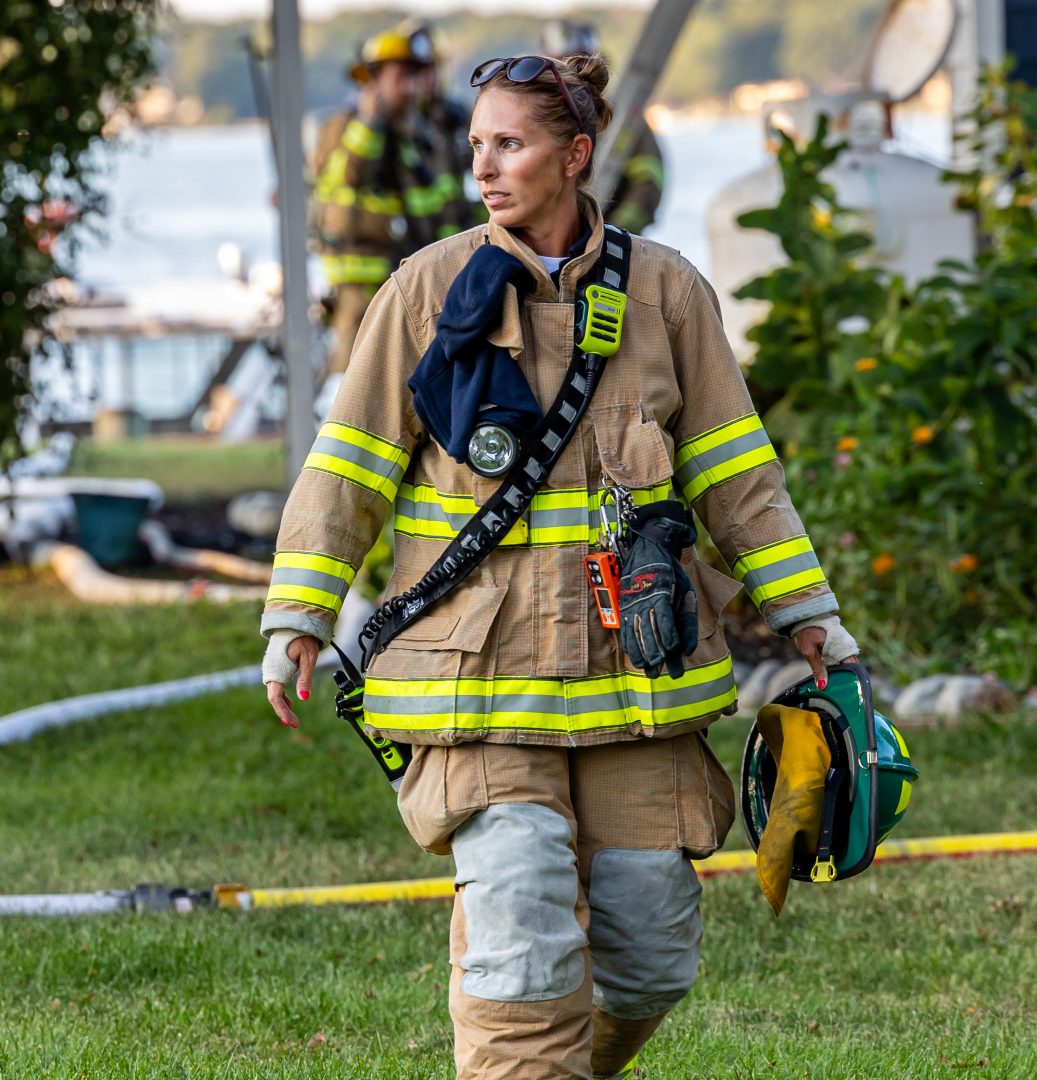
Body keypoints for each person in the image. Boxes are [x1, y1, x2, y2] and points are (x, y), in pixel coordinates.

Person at [264, 51, 859, 1080]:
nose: (483, 169)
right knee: (525, 956)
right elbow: (346, 467)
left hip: (635, 679)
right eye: (477, 145)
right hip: (477, 684)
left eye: (511, 144)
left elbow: (736, 474)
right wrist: (297, 618)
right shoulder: (425, 292)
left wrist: (807, 612)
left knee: (650, 955)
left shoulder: (668, 294)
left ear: (575, 156)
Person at [310, 26, 430, 378]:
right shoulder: (344, 128)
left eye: (413, 78)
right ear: (373, 81)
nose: (409, 89)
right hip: (357, 281)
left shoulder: (409, 131)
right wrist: (371, 118)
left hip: (401, 275)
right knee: (352, 376)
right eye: (399, 78)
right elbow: (350, 173)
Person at [542, 20, 665, 234]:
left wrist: (615, 233)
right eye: (559, 65)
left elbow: (648, 181)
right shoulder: (534, 119)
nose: (567, 76)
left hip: (609, 246)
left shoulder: (621, 119)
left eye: (576, 65)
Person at [402, 19, 479, 241]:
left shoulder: (457, 117)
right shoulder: (393, 126)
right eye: (415, 71)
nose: (425, 79)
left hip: (462, 242)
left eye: (430, 69)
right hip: (412, 249)